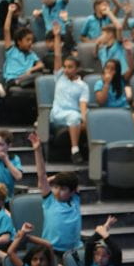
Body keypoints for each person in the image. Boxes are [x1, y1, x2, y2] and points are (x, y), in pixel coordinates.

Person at [29, 131, 82, 266]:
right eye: (56, 187)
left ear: (72, 191)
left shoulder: (75, 200)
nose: (58, 191)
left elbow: (73, 180)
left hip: (74, 251)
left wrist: (58, 177)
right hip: (53, 252)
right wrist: (38, 150)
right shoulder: (50, 201)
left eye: (63, 189)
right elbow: (41, 176)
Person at [49, 20, 89, 164]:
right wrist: (57, 36)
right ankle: (75, 150)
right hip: (57, 114)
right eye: (65, 67)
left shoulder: (83, 85)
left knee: (82, 117)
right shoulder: (60, 76)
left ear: (77, 68)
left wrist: (85, 119)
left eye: (70, 67)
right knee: (74, 116)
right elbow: (58, 56)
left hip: (74, 114)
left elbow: (83, 105)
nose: (66, 69)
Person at [0, 2, 44, 97]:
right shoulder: (11, 50)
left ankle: (12, 84)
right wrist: (10, 12)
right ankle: (10, 84)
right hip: (12, 77)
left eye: (31, 40)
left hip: (26, 78)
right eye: (27, 40)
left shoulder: (31, 54)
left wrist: (31, 69)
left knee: (40, 76)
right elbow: (6, 29)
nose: (30, 42)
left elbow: (40, 65)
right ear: (19, 41)